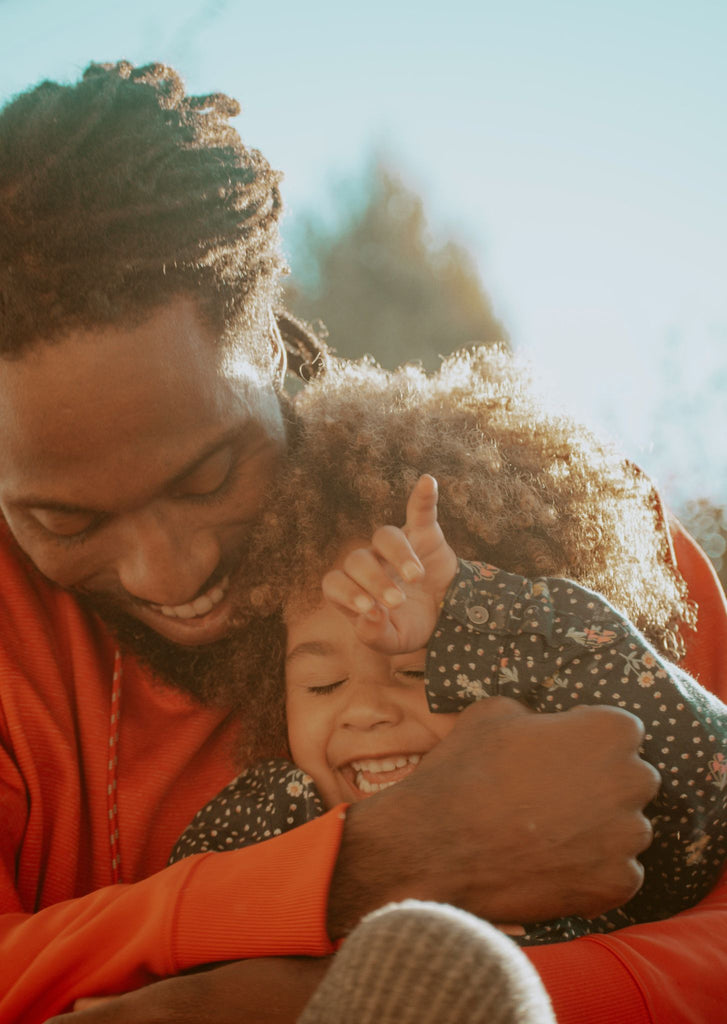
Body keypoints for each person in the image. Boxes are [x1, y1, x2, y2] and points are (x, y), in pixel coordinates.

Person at [0, 59, 724, 1024]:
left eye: (209, 476)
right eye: (63, 519)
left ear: (276, 349)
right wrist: (376, 864)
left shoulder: (537, 516)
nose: (168, 571)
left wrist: (394, 1000)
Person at [169, 356, 727, 948]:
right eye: (323, 684)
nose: (366, 711)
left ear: (528, 672)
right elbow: (191, 941)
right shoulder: (273, 823)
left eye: (418, 670)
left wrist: (476, 606)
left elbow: (711, 774)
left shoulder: (598, 830)